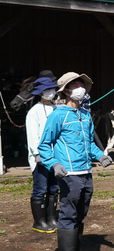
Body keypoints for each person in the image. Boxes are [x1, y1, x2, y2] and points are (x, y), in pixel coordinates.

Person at [38, 72, 113, 251]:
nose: (80, 88)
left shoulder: (85, 115)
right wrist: (53, 164)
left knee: (81, 213)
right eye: (75, 85)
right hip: (69, 174)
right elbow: (44, 145)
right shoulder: (57, 115)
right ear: (67, 91)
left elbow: (89, 143)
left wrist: (100, 155)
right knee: (68, 214)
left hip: (86, 172)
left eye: (82, 84)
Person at [25, 74, 60, 233]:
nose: (50, 92)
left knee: (54, 187)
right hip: (40, 157)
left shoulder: (55, 109)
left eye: (52, 89)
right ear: (40, 92)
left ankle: (51, 217)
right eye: (47, 90)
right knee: (40, 188)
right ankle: (39, 221)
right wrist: (37, 154)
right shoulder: (34, 112)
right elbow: (33, 136)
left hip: (55, 156)